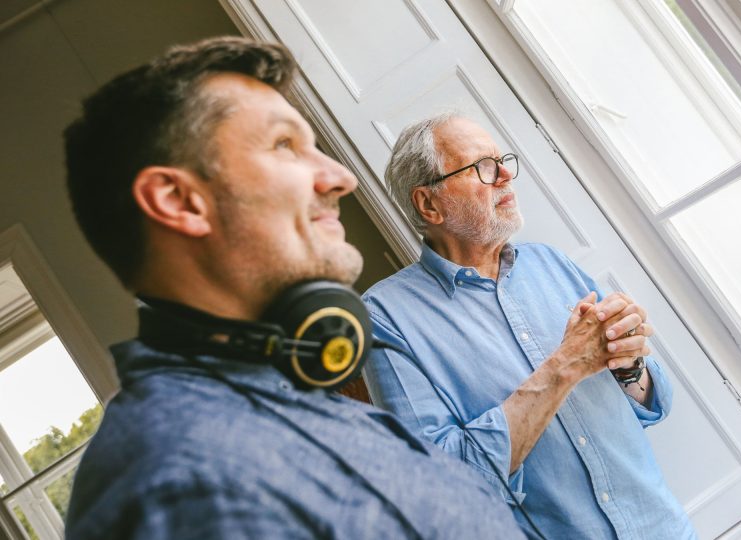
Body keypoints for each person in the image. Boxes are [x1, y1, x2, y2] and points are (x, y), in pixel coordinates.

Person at [62, 38, 527, 539]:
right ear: (179, 201)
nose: (341, 178)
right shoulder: (181, 484)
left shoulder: (291, 398)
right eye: (284, 145)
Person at [362, 113, 697, 539]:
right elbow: (441, 488)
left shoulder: (551, 262)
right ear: (429, 204)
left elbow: (652, 405)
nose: (505, 175)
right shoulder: (385, 317)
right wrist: (565, 366)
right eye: (482, 166)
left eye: (502, 161)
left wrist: (629, 365)